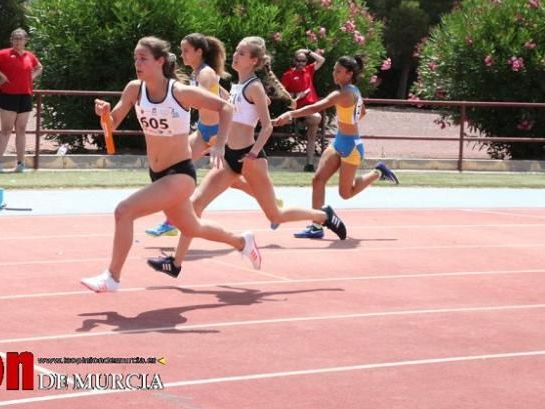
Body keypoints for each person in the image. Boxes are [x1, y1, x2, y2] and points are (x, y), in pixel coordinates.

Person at [147, 37, 346, 279]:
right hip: (230, 158)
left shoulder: (254, 86)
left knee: (275, 215)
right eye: (236, 51)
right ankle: (175, 263)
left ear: (253, 61)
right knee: (195, 205)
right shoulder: (237, 86)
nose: (235, 56)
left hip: (250, 158)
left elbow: (267, 126)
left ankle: (323, 215)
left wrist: (253, 153)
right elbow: (226, 103)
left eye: (241, 53)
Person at [81, 36, 261, 293]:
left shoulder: (179, 92)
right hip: (157, 174)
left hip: (179, 175)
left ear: (160, 61)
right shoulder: (134, 89)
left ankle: (112, 277)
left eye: (143, 58)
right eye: (135, 58)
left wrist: (220, 144)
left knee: (124, 211)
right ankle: (242, 242)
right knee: (192, 227)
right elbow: (111, 127)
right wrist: (105, 115)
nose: (137, 63)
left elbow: (226, 109)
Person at [274, 54, 399, 239]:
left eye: (338, 71)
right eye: (334, 70)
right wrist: (348, 122)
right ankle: (316, 226)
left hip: (352, 147)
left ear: (349, 74)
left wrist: (290, 115)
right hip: (340, 140)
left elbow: (315, 107)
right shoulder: (354, 90)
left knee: (345, 194)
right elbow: (362, 112)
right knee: (317, 180)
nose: (334, 74)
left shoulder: (342, 93)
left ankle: (378, 172)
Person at [146, 33, 229, 238]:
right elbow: (219, 94)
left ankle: (269, 200)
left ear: (199, 52)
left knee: (234, 177)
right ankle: (171, 221)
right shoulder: (198, 72)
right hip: (204, 131)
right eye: (181, 50)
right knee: (174, 172)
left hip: (217, 132)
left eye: (186, 51)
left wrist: (174, 93)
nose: (182, 54)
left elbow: (200, 99)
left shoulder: (205, 73)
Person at [0, 28, 42, 174]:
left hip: (25, 95)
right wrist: (1, 75)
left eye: (21, 38)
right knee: (6, 130)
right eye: (15, 38)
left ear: (26, 40)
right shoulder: (4, 53)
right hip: (8, 95)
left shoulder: (29, 56)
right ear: (11, 40)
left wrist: (30, 79)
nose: (18, 41)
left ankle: (20, 164)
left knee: (21, 130)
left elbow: (39, 67)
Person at [281, 49, 326, 171]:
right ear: (294, 61)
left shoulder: (309, 70)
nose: (301, 63)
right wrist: (296, 94)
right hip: (298, 108)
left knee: (312, 136)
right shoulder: (288, 75)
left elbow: (321, 60)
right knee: (317, 118)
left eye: (303, 60)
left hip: (311, 107)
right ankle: (299, 123)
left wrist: (309, 52)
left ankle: (309, 164)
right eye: (298, 60)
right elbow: (282, 93)